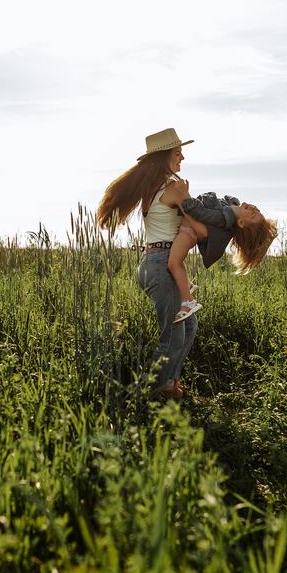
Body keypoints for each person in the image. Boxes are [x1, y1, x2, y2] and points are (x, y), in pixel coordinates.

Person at [96, 127, 196, 400]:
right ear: (164, 156)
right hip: (161, 263)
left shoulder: (155, 187)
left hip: (154, 261)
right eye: (177, 153)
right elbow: (199, 218)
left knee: (189, 326)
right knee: (173, 335)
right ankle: (150, 394)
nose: (182, 158)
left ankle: (169, 383)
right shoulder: (173, 188)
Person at [168, 193, 278, 323]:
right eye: (257, 210)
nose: (254, 209)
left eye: (253, 215)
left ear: (241, 223)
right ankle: (186, 284)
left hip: (188, 231)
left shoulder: (223, 218)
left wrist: (182, 198)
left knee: (174, 262)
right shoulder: (231, 205)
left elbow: (200, 213)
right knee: (175, 262)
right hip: (187, 224)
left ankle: (188, 301)